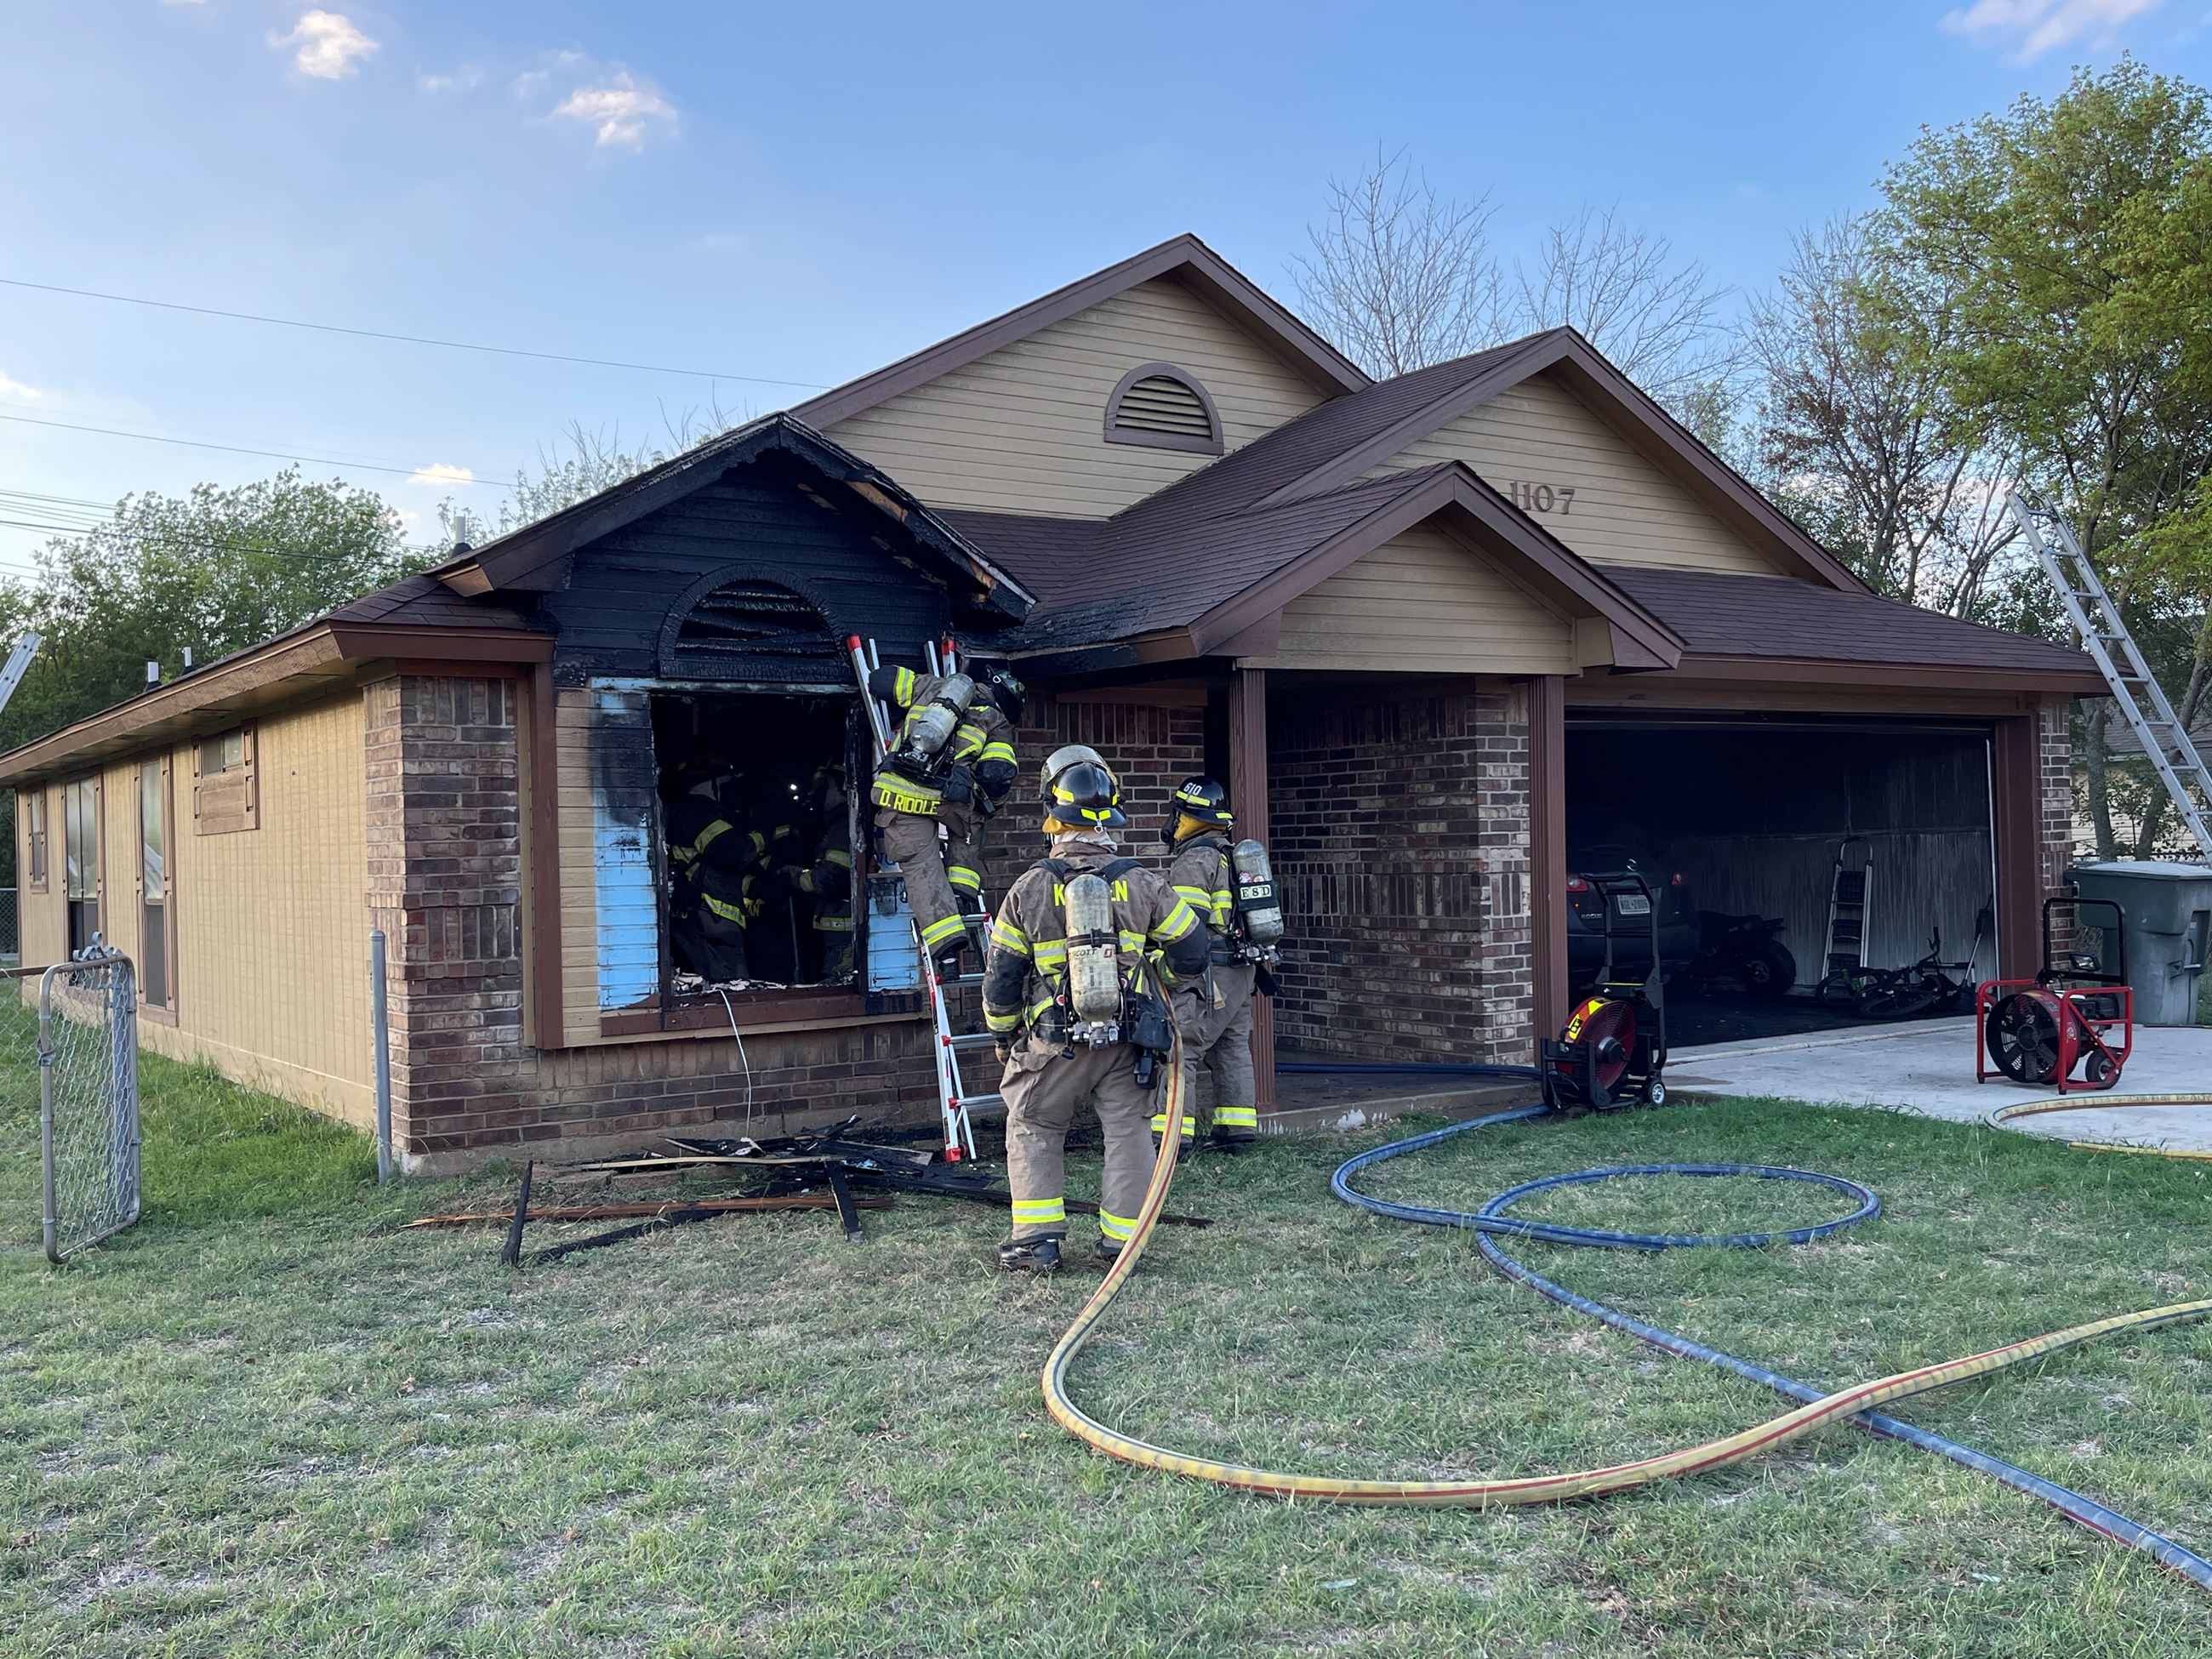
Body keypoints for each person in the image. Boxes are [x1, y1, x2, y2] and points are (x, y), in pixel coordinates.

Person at [980, 750, 1209, 1273]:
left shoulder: (1031, 887)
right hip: (1130, 1040)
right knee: (1129, 1129)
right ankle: (1122, 1245)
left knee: (1034, 1122)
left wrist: (1001, 1036)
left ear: (1053, 817)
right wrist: (1156, 975)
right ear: (1111, 818)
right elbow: (1193, 954)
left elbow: (1003, 978)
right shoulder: (1145, 882)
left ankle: (1037, 1244)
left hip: (1053, 1043)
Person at [866, 660, 1025, 966]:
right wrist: (992, 804)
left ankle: (946, 951)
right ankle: (963, 892)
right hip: (946, 801)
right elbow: (996, 775)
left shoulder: (932, 686)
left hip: (898, 794)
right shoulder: (997, 721)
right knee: (973, 823)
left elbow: (881, 680)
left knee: (920, 866)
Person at [1157, 777, 1269, 1152]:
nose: (1173, 822)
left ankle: (1172, 1138)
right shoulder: (1233, 854)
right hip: (1242, 969)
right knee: (1232, 1046)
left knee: (1182, 1048)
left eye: (1178, 814)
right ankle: (1236, 1132)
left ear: (1189, 816)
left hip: (1211, 974)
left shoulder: (1195, 860)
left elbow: (1186, 929)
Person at [665, 773, 765, 984]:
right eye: (729, 783)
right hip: (711, 922)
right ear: (712, 784)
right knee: (729, 989)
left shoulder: (690, 810)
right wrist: (763, 836)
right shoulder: (699, 811)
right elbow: (732, 853)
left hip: (702, 919)